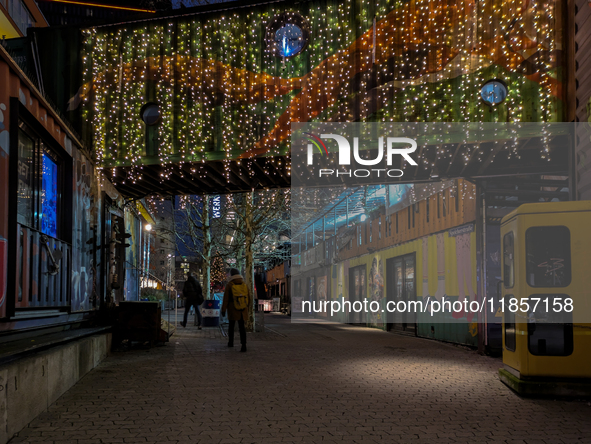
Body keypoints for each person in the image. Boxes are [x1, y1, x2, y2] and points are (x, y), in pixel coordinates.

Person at [222, 268, 251, 352]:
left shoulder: (230, 284)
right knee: (242, 327)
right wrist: (247, 307)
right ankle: (244, 345)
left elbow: (226, 298)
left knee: (231, 326)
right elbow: (248, 297)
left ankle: (231, 342)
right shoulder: (244, 283)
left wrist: (223, 309)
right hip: (243, 309)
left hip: (232, 308)